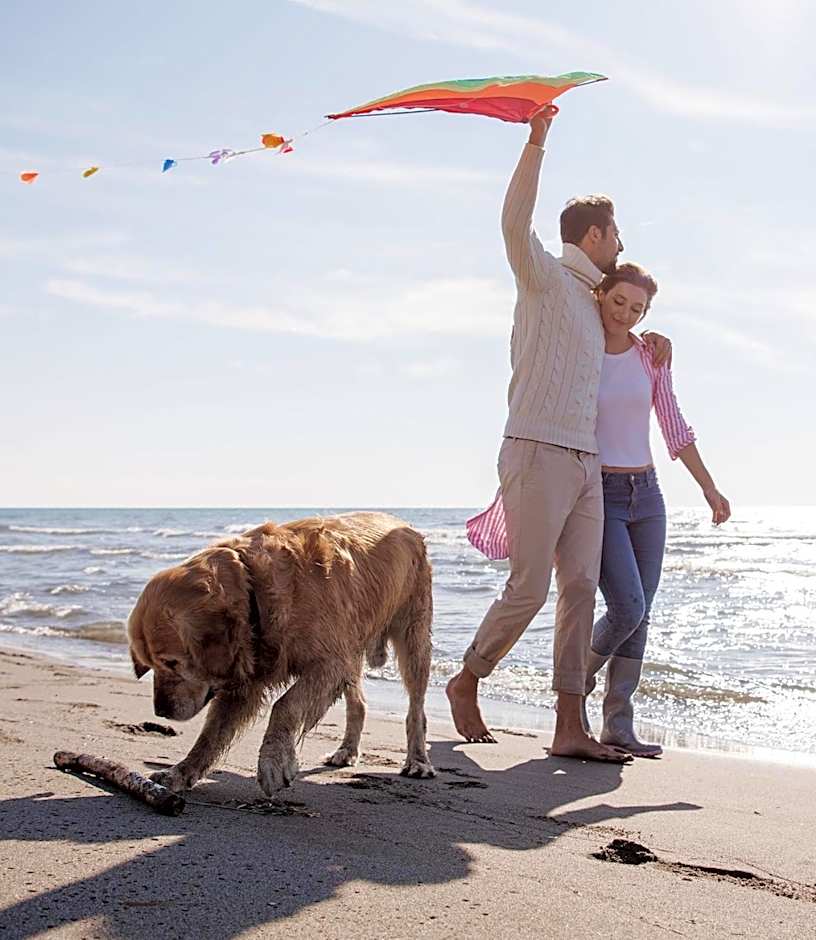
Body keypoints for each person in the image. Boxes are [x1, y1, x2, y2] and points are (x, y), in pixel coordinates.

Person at [447, 107, 670, 763]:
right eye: (617, 235)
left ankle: (569, 727)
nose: (622, 246)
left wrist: (654, 340)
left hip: (587, 464)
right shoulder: (542, 276)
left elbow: (628, 337)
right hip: (536, 450)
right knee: (531, 587)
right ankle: (469, 676)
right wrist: (537, 140)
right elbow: (513, 222)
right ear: (594, 234)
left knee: (579, 588)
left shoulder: (602, 303)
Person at [584, 262, 730, 757]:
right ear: (600, 294)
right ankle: (572, 690)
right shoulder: (580, 347)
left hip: (646, 496)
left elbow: (674, 425)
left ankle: (618, 725)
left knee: (640, 615)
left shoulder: (650, 356)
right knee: (628, 605)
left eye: (638, 308)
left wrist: (709, 488)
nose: (625, 314)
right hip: (598, 494)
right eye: (619, 301)